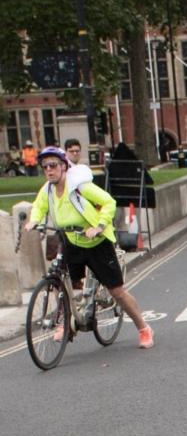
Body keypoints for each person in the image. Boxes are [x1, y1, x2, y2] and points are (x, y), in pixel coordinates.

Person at [24, 146, 154, 348]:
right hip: (71, 240)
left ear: (64, 167)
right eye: (45, 166)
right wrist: (34, 220)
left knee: (117, 291)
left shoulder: (79, 186)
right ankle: (68, 322)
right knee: (63, 281)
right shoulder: (47, 189)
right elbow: (39, 207)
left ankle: (144, 328)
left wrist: (99, 226)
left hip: (96, 242)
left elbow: (108, 202)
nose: (49, 170)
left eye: (53, 165)